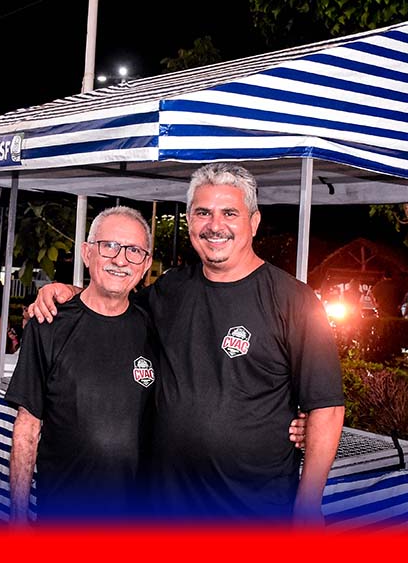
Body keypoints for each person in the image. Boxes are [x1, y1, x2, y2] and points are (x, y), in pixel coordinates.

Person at [31, 163, 344, 522]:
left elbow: (327, 408)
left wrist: (307, 506)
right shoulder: (170, 288)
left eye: (229, 213)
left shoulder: (295, 301)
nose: (215, 225)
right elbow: (112, 303)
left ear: (254, 222)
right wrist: (67, 291)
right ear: (190, 221)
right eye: (203, 213)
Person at [8, 207, 156, 520]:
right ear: (87, 253)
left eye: (134, 251)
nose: (121, 260)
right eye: (109, 246)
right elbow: (27, 428)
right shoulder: (48, 324)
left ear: (146, 264)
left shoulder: (157, 328)